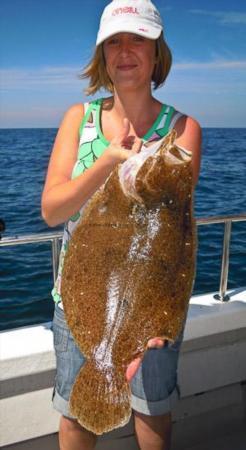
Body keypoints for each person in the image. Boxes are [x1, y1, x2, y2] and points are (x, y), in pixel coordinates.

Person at [41, 0, 201, 449]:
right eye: (115, 40)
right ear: (102, 55)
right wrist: (110, 160)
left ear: (156, 54)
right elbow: (52, 211)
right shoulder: (79, 119)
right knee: (76, 415)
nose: (125, 50)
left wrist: (159, 313)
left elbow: (173, 227)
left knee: (152, 411)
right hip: (79, 303)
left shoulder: (184, 128)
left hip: (149, 304)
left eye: (138, 39)